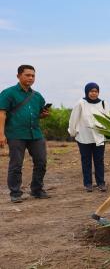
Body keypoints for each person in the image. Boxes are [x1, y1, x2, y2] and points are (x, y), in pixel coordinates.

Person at [0, 65, 51, 203]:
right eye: (27, 75)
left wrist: (43, 115)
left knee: (41, 161)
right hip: (16, 133)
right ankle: (15, 193)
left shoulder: (37, 96)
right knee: (16, 164)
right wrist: (1, 134)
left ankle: (37, 189)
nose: (31, 78)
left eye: (33, 75)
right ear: (18, 76)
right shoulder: (8, 93)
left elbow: (38, 114)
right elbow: (2, 113)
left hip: (35, 133)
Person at [68, 82, 109, 192]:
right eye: (91, 91)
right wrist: (73, 132)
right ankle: (88, 184)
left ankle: (101, 183)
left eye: (96, 91)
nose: (93, 93)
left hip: (99, 137)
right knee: (86, 161)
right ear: (87, 92)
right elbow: (73, 119)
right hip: (84, 137)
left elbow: (107, 119)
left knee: (99, 161)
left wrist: (108, 133)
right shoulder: (81, 103)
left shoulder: (103, 103)